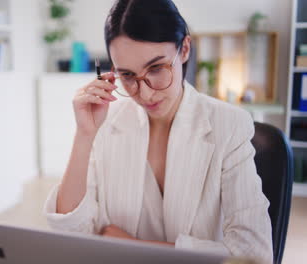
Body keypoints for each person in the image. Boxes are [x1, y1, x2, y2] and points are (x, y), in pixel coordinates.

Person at [43, 0, 273, 262]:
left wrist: (134, 246)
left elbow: (255, 254)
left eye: (156, 68)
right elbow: (71, 232)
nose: (145, 92)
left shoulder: (230, 125)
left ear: (184, 49)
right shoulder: (108, 120)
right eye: (127, 75)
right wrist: (84, 135)